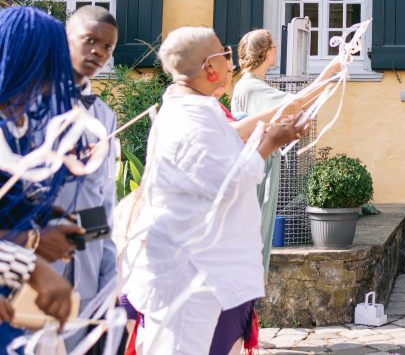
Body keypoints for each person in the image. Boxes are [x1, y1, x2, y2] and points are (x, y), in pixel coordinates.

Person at [123, 27, 308, 355]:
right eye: (224, 53)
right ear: (210, 67)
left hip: (210, 275)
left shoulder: (198, 110)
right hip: (191, 279)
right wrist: (269, 144)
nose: (230, 59)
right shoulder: (189, 119)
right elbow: (224, 184)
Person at [232, 29, 344, 271]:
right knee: (257, 230)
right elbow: (295, 105)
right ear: (265, 52)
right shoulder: (250, 86)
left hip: (261, 163)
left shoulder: (254, 84)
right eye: (273, 46)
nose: (276, 49)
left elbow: (296, 107)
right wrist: (331, 71)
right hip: (258, 166)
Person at [0, 7, 80, 346]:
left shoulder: (15, 128)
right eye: (42, 71)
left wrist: (39, 218)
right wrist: (32, 255)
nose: (47, 86)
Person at [50, 6, 120, 352]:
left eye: (107, 47)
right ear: (66, 40)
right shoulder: (30, 103)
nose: (98, 52)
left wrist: (109, 270)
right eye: (90, 41)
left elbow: (102, 194)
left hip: (86, 259)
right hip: (35, 257)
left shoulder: (104, 116)